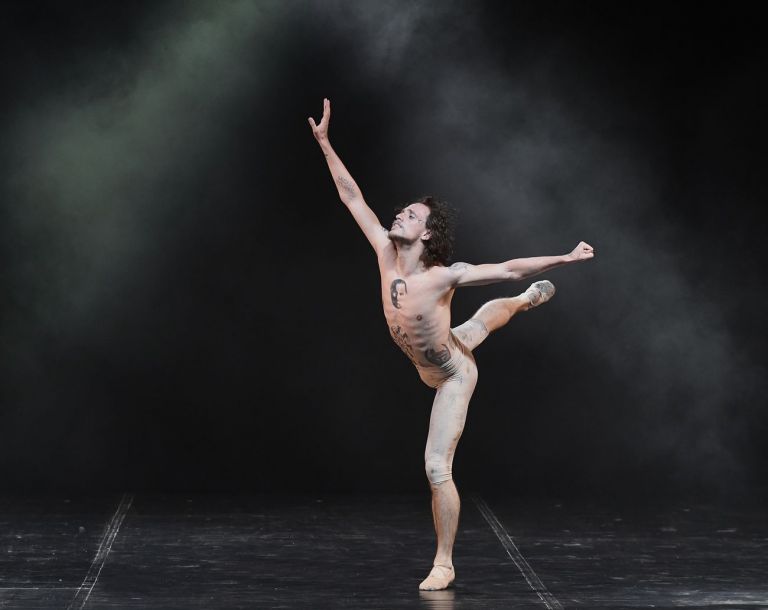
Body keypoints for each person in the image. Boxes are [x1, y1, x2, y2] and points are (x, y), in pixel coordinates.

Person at [308, 98, 594, 591]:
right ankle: (524, 303)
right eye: (400, 211)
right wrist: (326, 145)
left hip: (452, 375)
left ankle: (445, 561)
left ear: (427, 232)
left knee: (437, 466)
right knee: (478, 327)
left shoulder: (446, 277)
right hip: (435, 356)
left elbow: (507, 266)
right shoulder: (383, 249)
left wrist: (565, 259)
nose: (398, 215)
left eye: (410, 214)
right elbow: (352, 196)